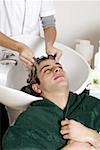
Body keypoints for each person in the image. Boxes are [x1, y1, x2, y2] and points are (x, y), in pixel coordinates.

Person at [3, 55, 100, 150]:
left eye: (59, 67)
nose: (57, 70)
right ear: (37, 87)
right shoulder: (28, 123)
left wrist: (91, 136)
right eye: (47, 70)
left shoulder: (92, 105)